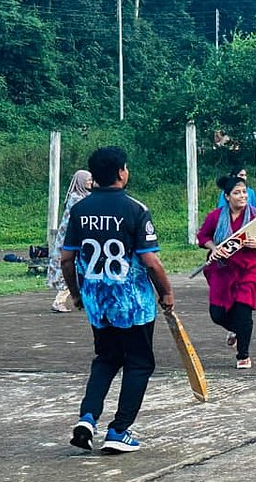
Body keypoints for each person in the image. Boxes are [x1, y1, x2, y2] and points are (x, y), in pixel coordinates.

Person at [60, 146, 174, 455]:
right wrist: (166, 291)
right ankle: (119, 430)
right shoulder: (135, 209)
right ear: (122, 172)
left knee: (106, 358)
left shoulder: (80, 211)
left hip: (98, 301)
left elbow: (67, 259)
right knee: (138, 363)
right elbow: (150, 261)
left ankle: (87, 417)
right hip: (133, 303)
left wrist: (75, 292)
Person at [198, 173, 256, 369]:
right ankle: (236, 330)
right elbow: (203, 236)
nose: (242, 196)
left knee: (243, 312)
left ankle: (243, 354)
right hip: (222, 270)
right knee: (217, 314)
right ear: (227, 196)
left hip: (249, 270)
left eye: (244, 192)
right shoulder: (215, 217)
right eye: (237, 193)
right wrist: (214, 248)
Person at [218, 167, 256, 296]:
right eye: (241, 175)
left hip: (248, 226)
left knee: (250, 258)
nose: (244, 177)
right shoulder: (225, 194)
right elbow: (221, 209)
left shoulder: (250, 192)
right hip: (230, 228)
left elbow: (254, 208)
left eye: (245, 175)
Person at [48, 169, 93, 312]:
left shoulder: (81, 196)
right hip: (71, 240)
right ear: (80, 182)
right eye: (88, 180)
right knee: (70, 269)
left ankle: (84, 300)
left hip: (77, 240)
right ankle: (59, 301)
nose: (90, 183)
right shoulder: (77, 199)